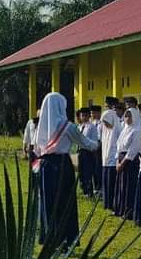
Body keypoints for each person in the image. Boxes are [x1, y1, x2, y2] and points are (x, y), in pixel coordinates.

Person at [33, 93, 99, 247]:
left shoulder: (40, 127)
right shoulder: (67, 126)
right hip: (62, 165)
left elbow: (36, 149)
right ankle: (64, 237)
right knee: (64, 202)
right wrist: (97, 144)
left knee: (47, 201)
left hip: (45, 166)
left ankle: (48, 236)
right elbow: (86, 144)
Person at [114, 107, 141, 219]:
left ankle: (128, 211)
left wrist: (123, 163)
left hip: (130, 161)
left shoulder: (137, 130)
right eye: (125, 116)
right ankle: (120, 209)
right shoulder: (125, 130)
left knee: (129, 186)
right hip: (121, 160)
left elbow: (133, 149)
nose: (127, 118)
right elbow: (118, 146)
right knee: (121, 185)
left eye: (129, 116)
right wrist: (117, 161)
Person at [98, 98, 122, 212]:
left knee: (111, 181)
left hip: (112, 154)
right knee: (106, 180)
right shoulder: (107, 124)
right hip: (106, 155)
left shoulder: (113, 118)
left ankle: (111, 203)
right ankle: (106, 203)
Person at [76, 107, 100, 198]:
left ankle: (90, 191)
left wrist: (86, 142)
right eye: (82, 116)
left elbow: (94, 140)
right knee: (81, 171)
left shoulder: (91, 127)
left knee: (88, 171)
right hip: (80, 151)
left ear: (89, 116)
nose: (84, 117)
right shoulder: (80, 126)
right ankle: (84, 189)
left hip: (88, 151)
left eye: (86, 115)